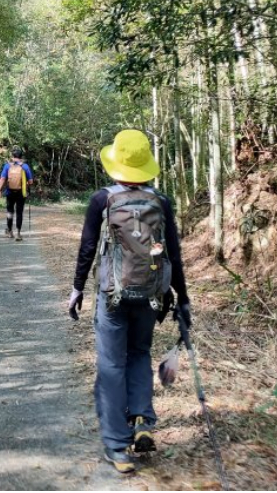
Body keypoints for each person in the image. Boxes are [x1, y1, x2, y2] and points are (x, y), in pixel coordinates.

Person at [67, 129, 190, 474]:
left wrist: (77, 288)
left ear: (116, 162)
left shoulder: (102, 200)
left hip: (113, 296)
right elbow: (174, 255)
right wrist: (182, 297)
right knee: (139, 354)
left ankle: (118, 447)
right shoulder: (161, 202)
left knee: (110, 363)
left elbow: (88, 248)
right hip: (151, 295)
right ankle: (143, 422)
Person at [0, 148, 33, 241]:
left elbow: (2, 179)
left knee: (10, 212)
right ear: (21, 157)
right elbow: (31, 181)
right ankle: (18, 233)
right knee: (19, 212)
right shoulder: (25, 166)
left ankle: (10, 232)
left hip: (9, 192)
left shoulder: (7, 166)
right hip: (21, 193)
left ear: (12, 156)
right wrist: (25, 184)